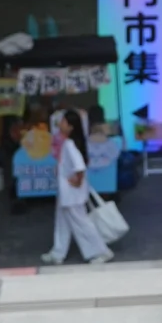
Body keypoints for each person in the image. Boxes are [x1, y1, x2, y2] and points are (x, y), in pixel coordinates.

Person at [41, 108, 113, 266]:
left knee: (81, 222)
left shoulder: (69, 144)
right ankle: (58, 252)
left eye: (63, 122)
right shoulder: (72, 143)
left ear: (70, 127)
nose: (60, 124)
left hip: (71, 192)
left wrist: (78, 180)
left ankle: (102, 251)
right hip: (67, 191)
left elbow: (79, 166)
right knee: (62, 222)